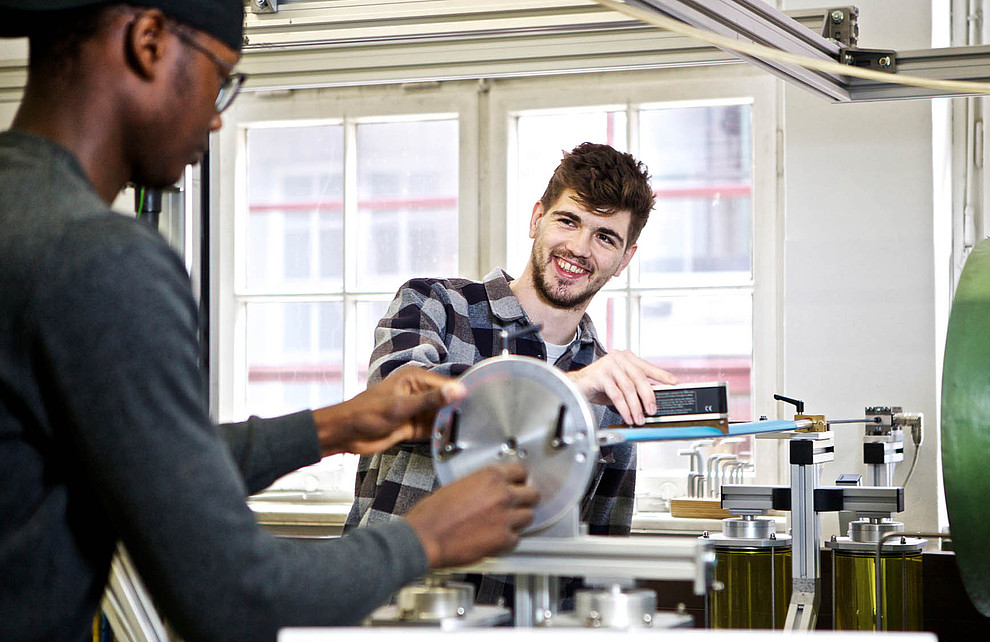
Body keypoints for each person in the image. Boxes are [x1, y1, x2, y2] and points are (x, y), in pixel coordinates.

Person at [0, 2, 539, 641]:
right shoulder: (97, 256)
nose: (218, 116)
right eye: (221, 78)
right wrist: (426, 537)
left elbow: (142, 461)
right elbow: (236, 596)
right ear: (148, 42)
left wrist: (335, 426)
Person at [345, 143, 679, 600]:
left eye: (605, 237)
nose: (579, 248)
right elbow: (393, 404)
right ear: (536, 218)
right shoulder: (435, 304)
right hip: (393, 611)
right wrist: (566, 390)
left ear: (624, 259)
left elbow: (600, 560)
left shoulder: (609, 387)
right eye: (568, 220)